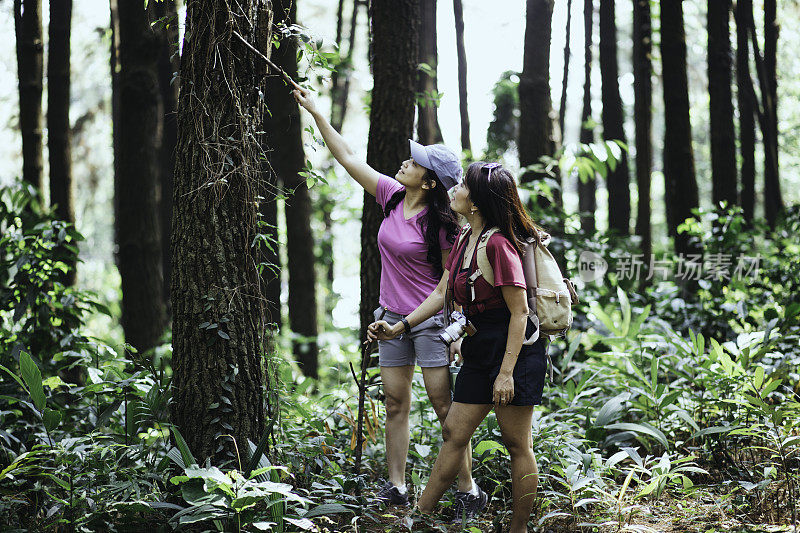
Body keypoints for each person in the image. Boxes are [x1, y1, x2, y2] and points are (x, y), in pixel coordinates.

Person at [292, 88, 485, 516]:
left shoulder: (446, 225)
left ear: (430, 181)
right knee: (396, 403)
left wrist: (457, 330)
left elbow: (455, 280)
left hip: (432, 322)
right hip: (391, 319)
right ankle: (396, 486)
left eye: (415, 162)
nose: (405, 162)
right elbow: (346, 157)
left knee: (443, 407)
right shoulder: (392, 196)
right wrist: (317, 111)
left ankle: (468, 489)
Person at [368, 161, 548, 532]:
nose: (455, 189)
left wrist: (506, 374)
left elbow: (520, 312)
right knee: (453, 432)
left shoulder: (498, 245)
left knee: (517, 444)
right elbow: (440, 292)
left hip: (515, 350)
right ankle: (420, 517)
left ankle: (518, 528)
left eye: (463, 185)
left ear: (477, 201)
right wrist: (399, 326)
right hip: (480, 345)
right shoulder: (466, 237)